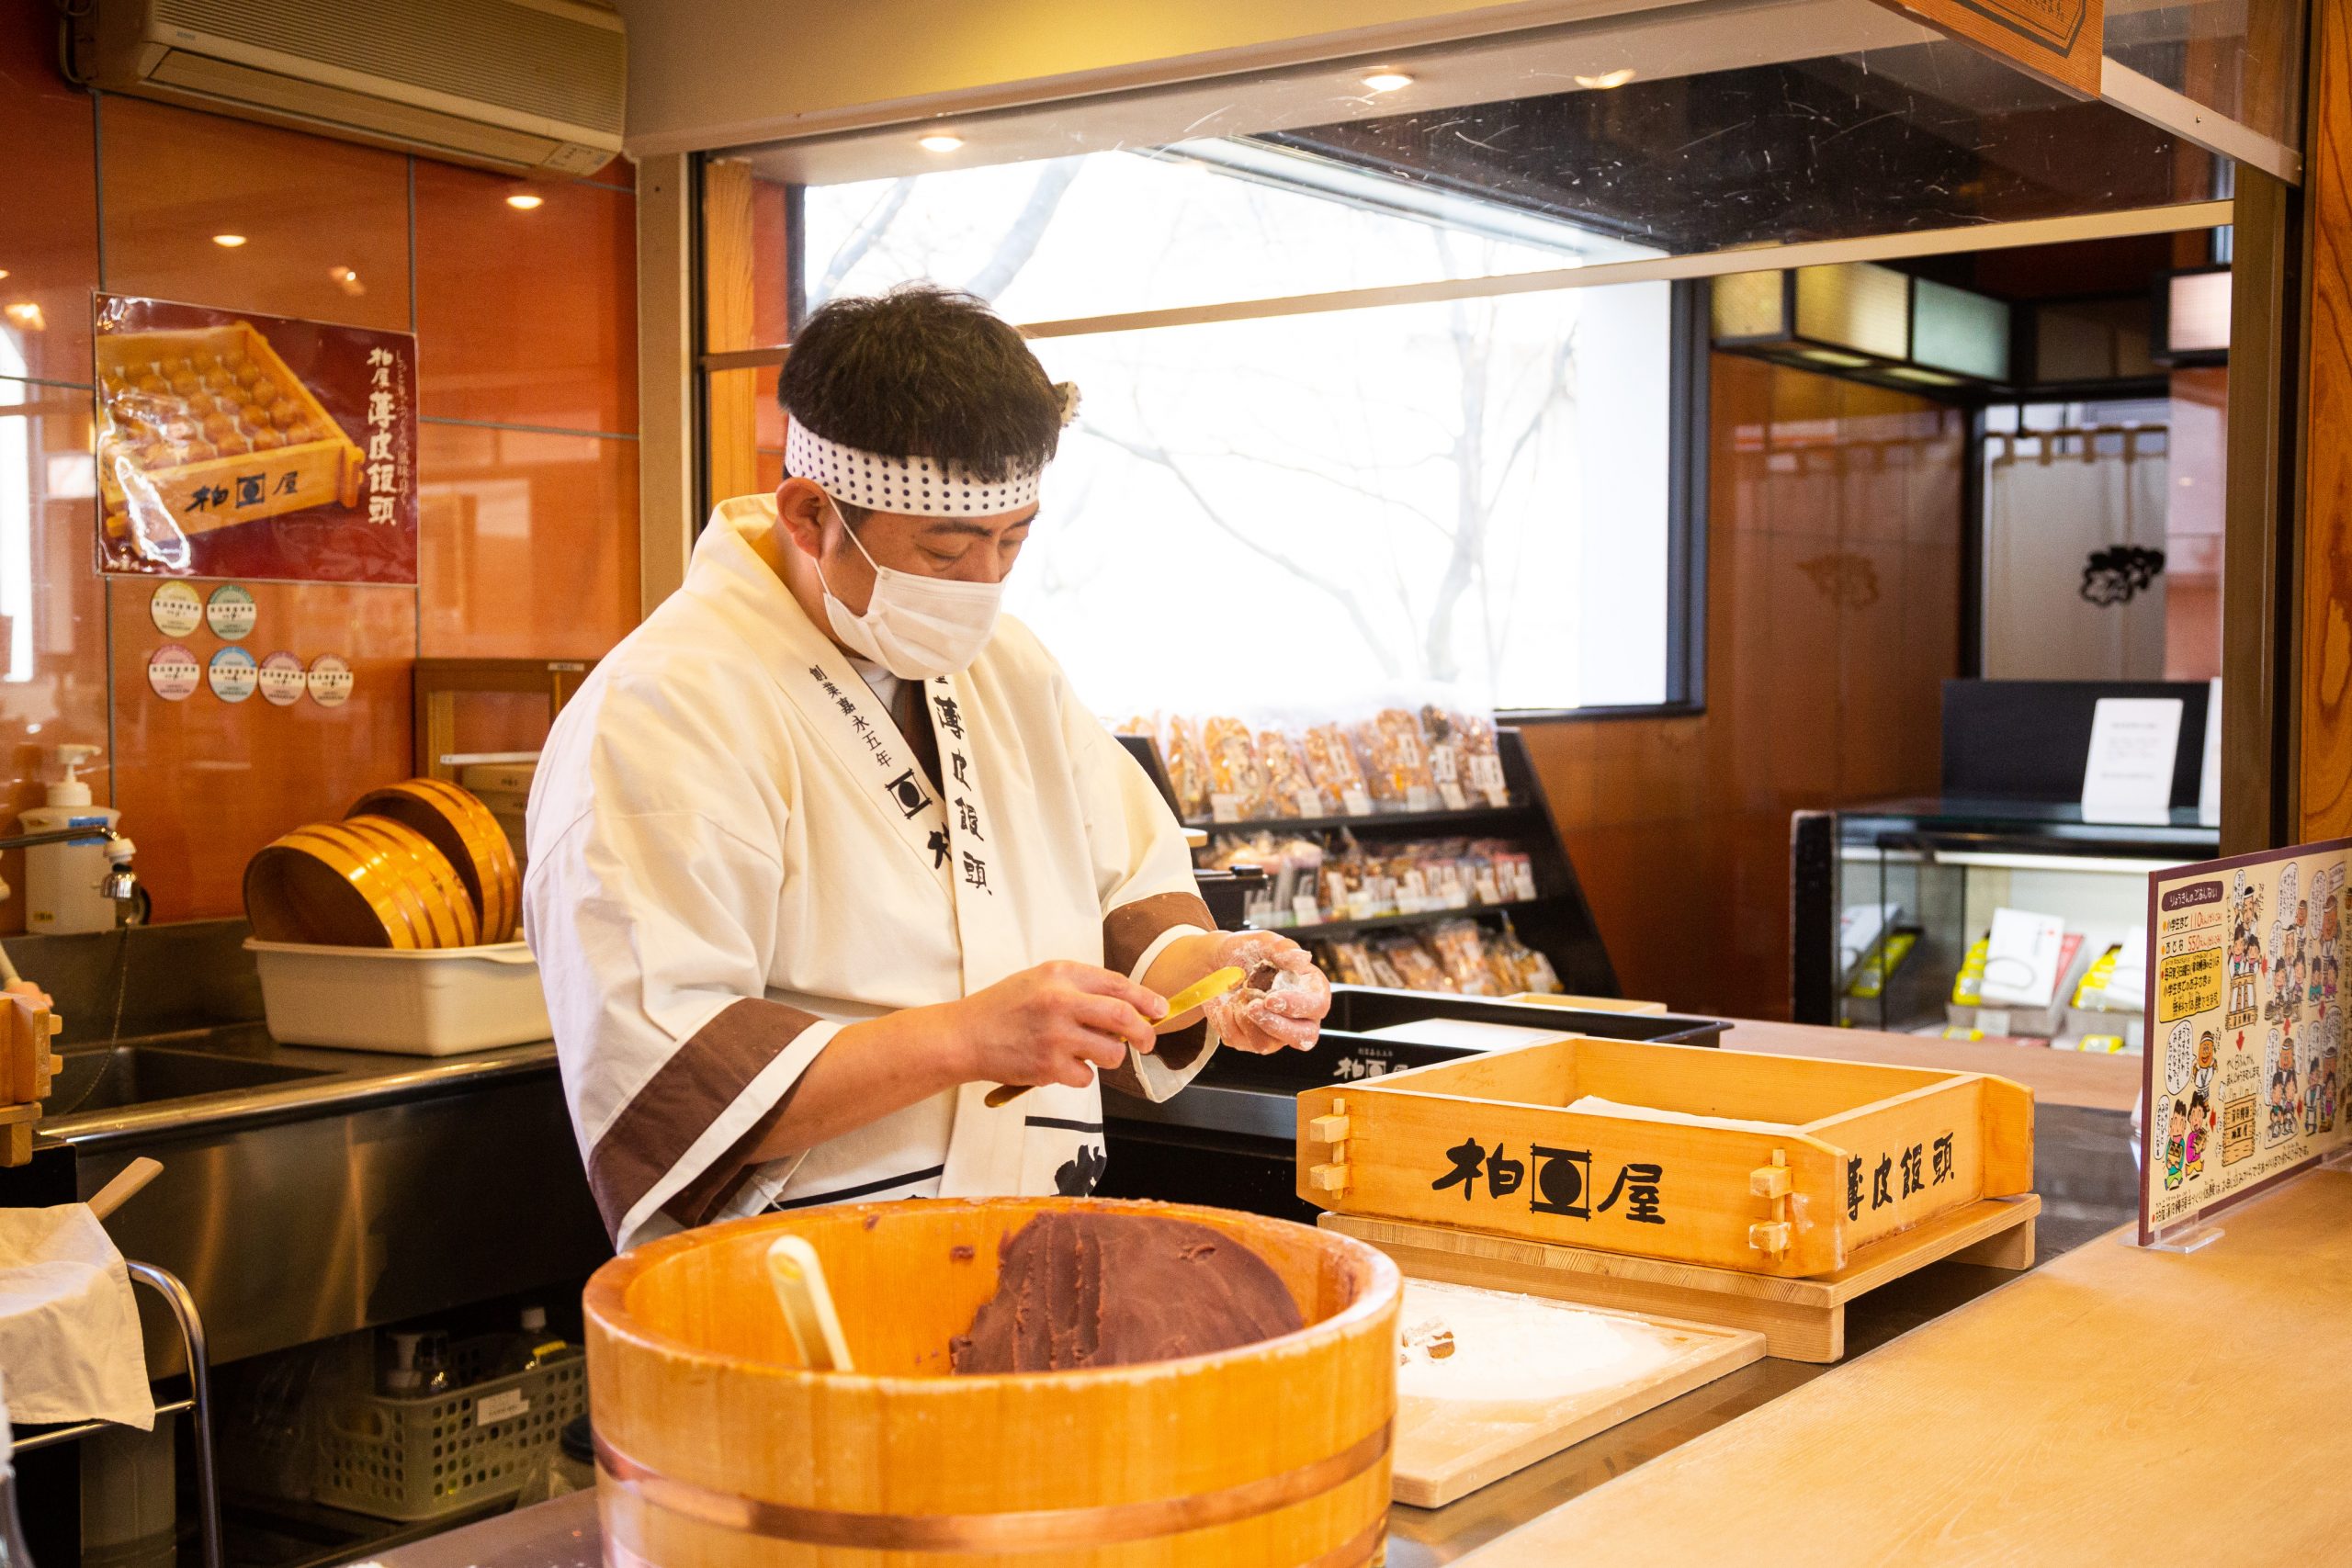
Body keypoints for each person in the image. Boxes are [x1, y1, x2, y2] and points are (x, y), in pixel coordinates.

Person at [526, 285, 1332, 1248]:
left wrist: (1218, 976)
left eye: (1013, 539)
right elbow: (664, 1072)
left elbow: (1128, 890)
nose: (984, 584)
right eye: (945, 550)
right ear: (807, 511)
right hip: (799, 1284)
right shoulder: (665, 707)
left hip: (1028, 1235)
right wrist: (965, 1037)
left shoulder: (1011, 667)